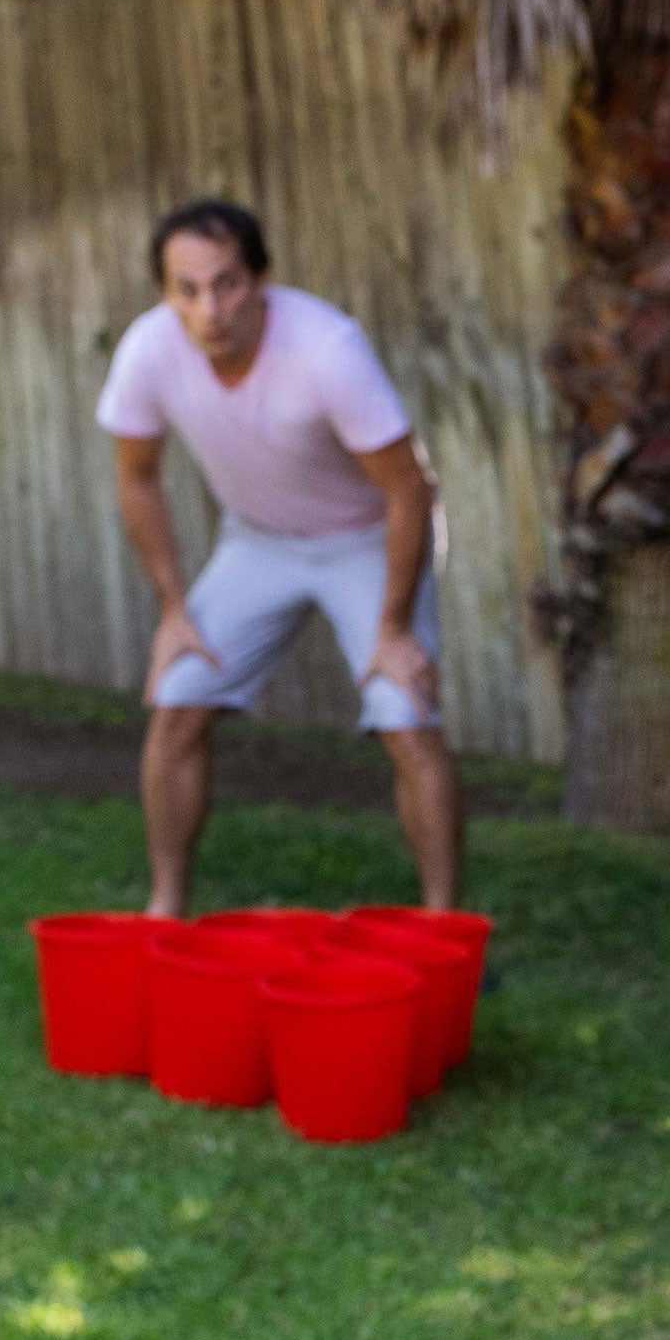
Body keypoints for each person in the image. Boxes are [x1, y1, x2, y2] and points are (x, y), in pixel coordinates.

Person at [95, 198, 462, 916]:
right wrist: (173, 609)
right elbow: (138, 480)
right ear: (166, 293)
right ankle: (164, 909)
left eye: (227, 283)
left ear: (261, 279)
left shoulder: (327, 348)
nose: (210, 310)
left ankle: (445, 925)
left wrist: (392, 630)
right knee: (176, 699)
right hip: (258, 542)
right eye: (187, 290)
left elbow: (408, 492)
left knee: (406, 716)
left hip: (365, 538)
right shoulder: (148, 350)